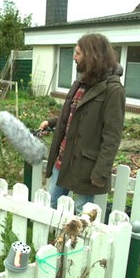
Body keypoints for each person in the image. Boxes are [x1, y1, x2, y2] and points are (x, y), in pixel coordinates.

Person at [39, 33, 125, 213]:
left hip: (86, 166)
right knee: (53, 206)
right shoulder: (81, 82)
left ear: (92, 55)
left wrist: (100, 172)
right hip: (63, 159)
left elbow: (112, 136)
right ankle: (53, 240)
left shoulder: (113, 90)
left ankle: (77, 243)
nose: (73, 57)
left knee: (81, 213)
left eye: (77, 53)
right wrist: (53, 122)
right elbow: (73, 113)